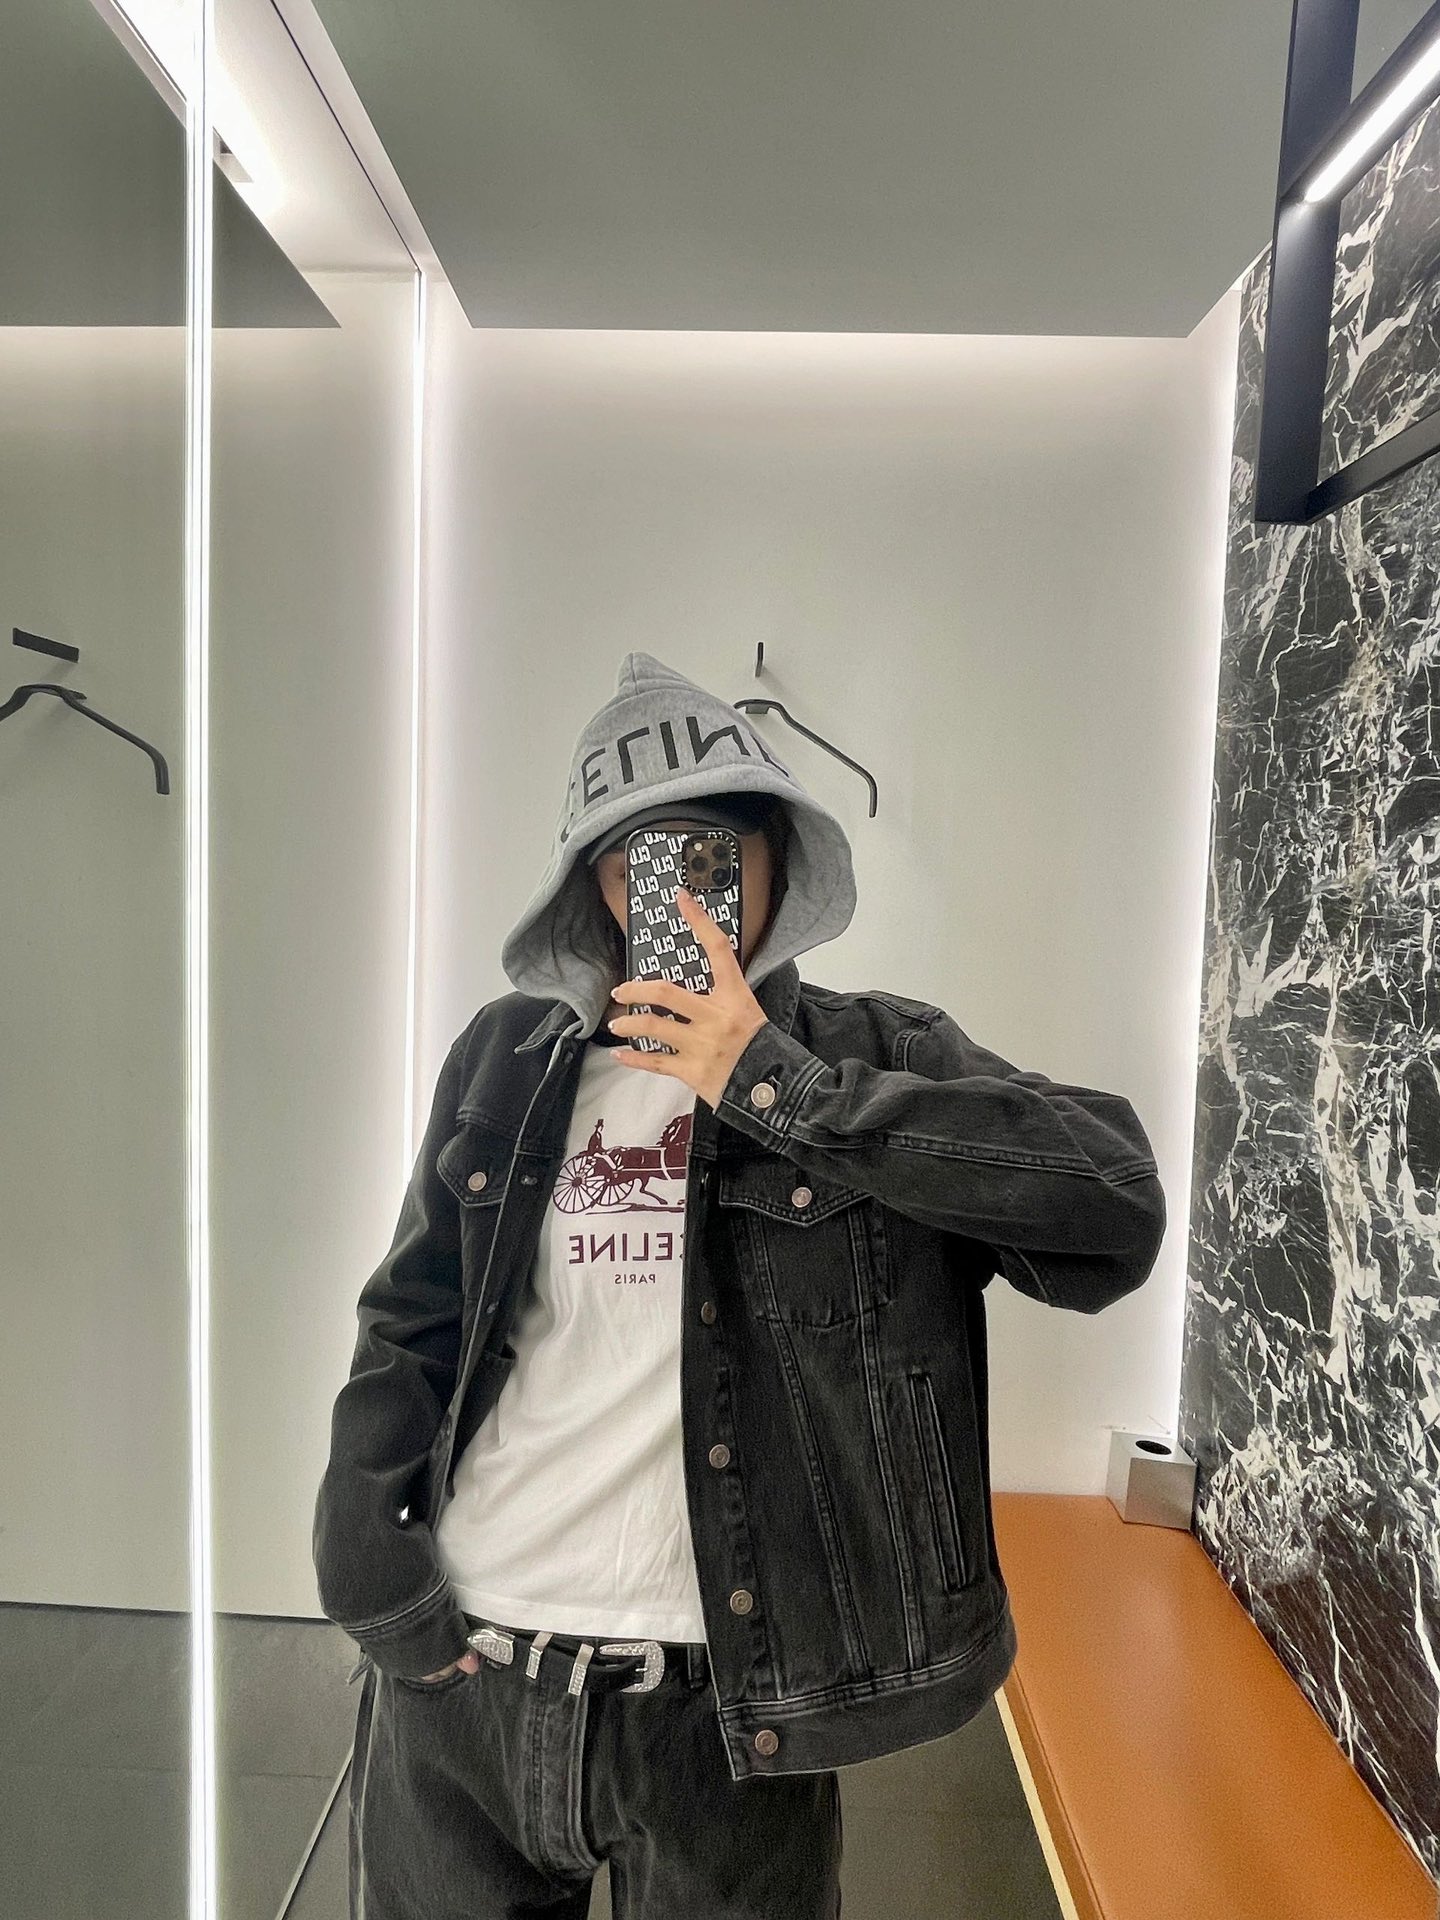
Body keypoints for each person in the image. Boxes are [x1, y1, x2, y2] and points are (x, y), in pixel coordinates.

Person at [313, 649, 1168, 1919]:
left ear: (775, 865)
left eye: (706, 858)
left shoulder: (875, 1052)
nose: (673, 897)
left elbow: (1114, 1206)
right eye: (632, 861)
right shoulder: (507, 1056)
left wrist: (773, 1083)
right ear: (592, 885)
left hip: (728, 1715)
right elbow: (413, 1315)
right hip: (471, 1686)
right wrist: (371, 1569)